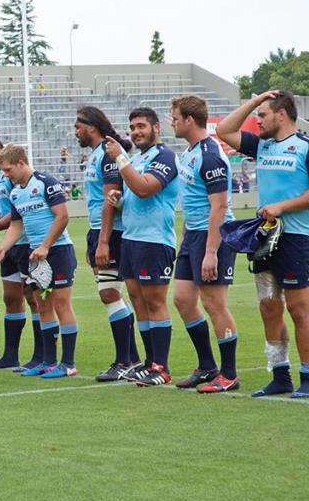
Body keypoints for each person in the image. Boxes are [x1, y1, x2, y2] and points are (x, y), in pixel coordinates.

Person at [215, 90, 309, 399]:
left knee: (299, 311)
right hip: (265, 238)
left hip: (296, 240)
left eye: (263, 115)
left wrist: (282, 207)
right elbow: (224, 131)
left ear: (281, 115)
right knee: (269, 308)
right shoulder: (262, 146)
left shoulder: (307, 147)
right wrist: (255, 102)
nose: (257, 120)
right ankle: (280, 374)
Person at [104, 107, 181, 387]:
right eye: (133, 127)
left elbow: (145, 189)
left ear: (156, 127)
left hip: (155, 240)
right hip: (132, 239)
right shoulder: (136, 159)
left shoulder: (165, 156)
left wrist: (121, 160)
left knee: (155, 302)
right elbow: (133, 197)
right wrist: (118, 200)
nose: (136, 132)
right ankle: (149, 363)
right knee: (138, 300)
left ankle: (161, 366)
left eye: (141, 126)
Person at [169, 95, 240, 393]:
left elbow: (219, 208)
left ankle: (229, 373)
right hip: (194, 236)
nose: (171, 122)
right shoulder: (189, 152)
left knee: (214, 303)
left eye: (174, 117)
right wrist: (187, 237)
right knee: (183, 299)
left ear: (189, 120)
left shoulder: (210, 155)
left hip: (215, 236)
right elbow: (193, 201)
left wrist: (211, 251)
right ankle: (207, 366)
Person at [0, 145, 80, 379]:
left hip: (57, 250)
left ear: (21, 162)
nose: (6, 175)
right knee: (42, 305)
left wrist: (45, 246)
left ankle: (68, 363)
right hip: (35, 254)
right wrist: (3, 247)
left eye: (8, 170)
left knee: (61, 304)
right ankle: (48, 361)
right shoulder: (16, 193)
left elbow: (62, 216)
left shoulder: (46, 182)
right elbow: (16, 225)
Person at [74, 106, 141, 381]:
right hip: (98, 230)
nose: (75, 130)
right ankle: (132, 359)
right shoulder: (96, 154)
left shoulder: (109, 153)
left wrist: (103, 241)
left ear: (91, 126)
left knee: (109, 293)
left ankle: (124, 361)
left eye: (78, 125)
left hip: (112, 232)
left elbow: (110, 199)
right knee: (111, 293)